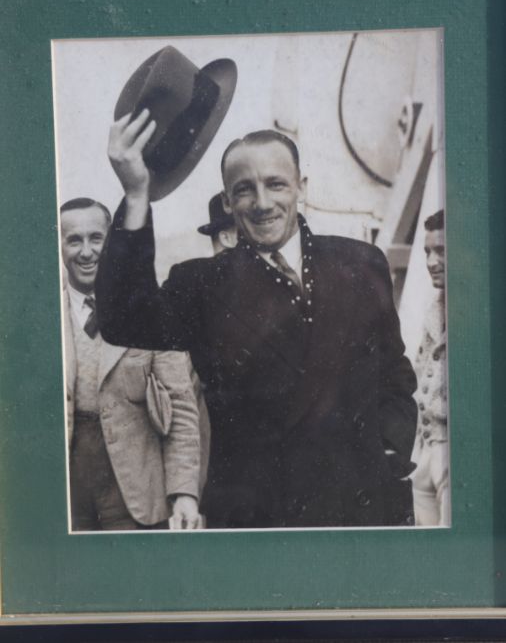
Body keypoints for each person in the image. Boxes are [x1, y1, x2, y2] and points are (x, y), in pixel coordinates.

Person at [96, 114, 418, 529]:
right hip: (260, 520)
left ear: (302, 186)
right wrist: (137, 192)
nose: (262, 203)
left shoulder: (361, 263)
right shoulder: (202, 283)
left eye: (276, 183)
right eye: (244, 190)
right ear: (228, 202)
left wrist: (389, 450)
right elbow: (123, 320)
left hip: (360, 508)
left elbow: (395, 374)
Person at [60, 197, 201, 531]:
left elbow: (181, 406)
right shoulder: (41, 313)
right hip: (66, 490)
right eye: (73, 240)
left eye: (96, 239)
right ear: (61, 246)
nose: (86, 252)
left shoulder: (148, 311)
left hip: (135, 492)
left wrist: (184, 493)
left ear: (112, 243)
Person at [410, 209, 449, 525]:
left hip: (456, 456)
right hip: (426, 453)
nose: (431, 262)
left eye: (442, 251)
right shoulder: (433, 312)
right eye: (427, 251)